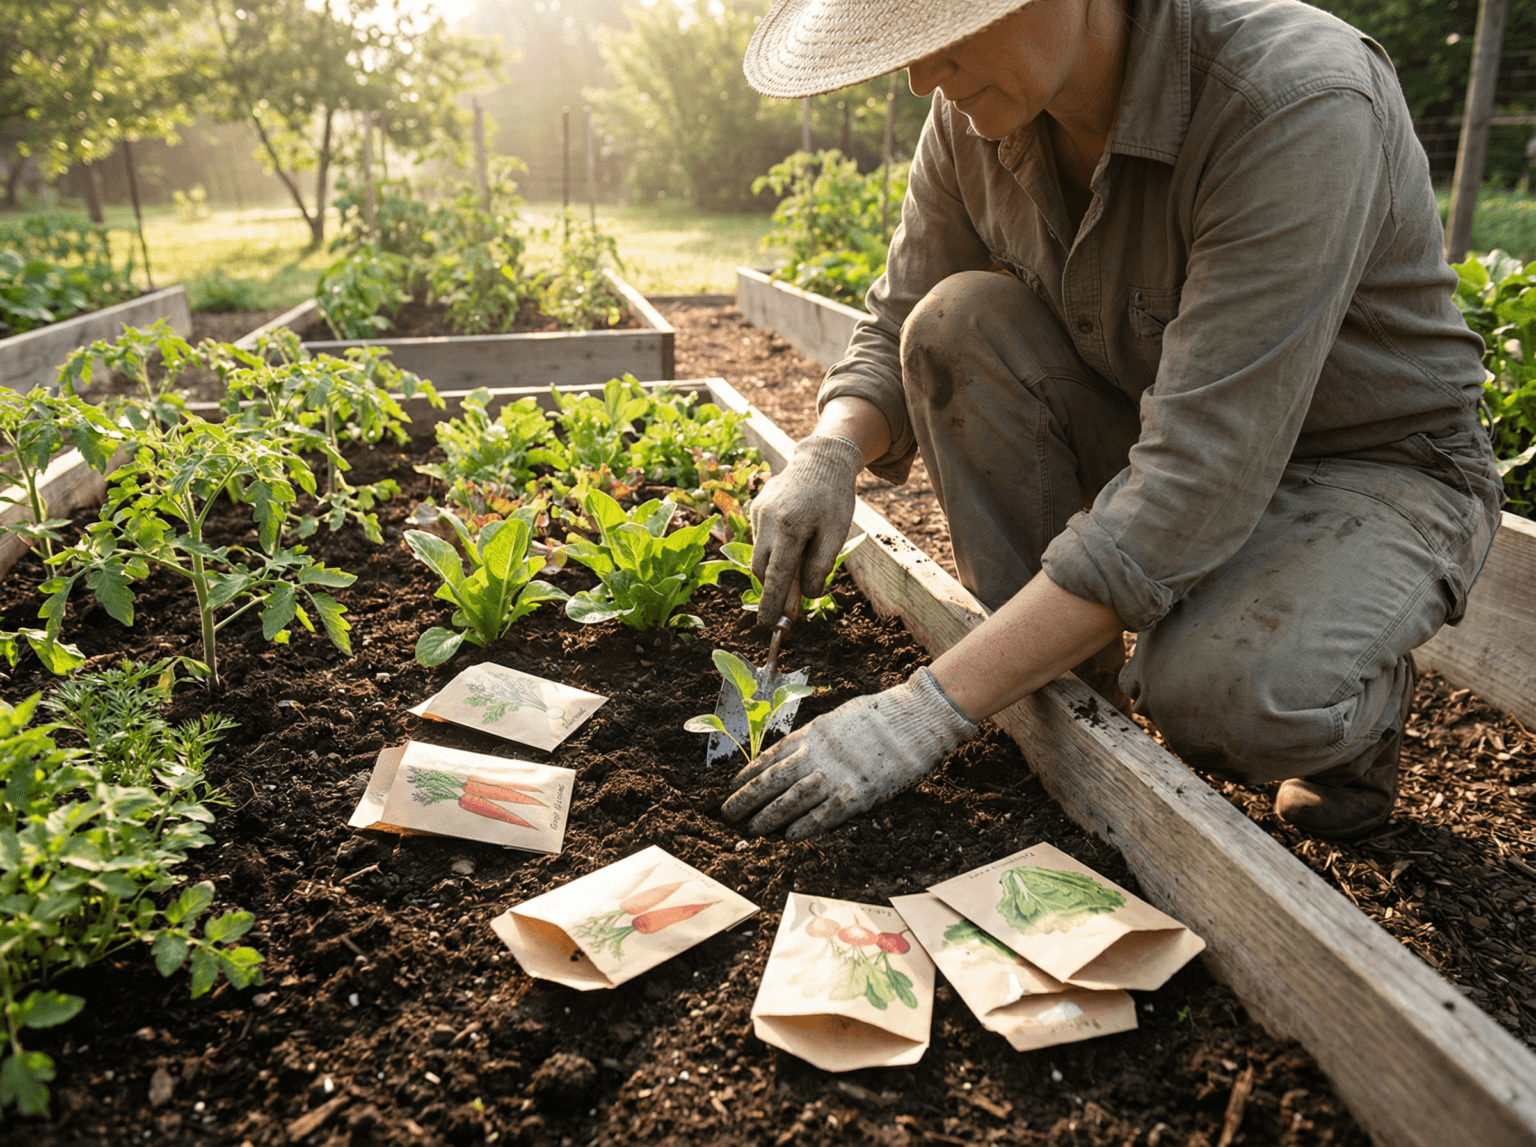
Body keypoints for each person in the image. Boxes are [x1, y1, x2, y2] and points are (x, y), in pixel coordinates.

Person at [720, 0, 1504, 844]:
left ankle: (1358, 719)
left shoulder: (1293, 100)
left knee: (1219, 693)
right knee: (954, 323)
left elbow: (1195, 477)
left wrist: (925, 708)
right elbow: (897, 318)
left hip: (1368, 469)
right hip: (1160, 430)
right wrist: (831, 448)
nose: (920, 77)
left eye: (945, 31)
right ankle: (1066, 709)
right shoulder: (976, 112)